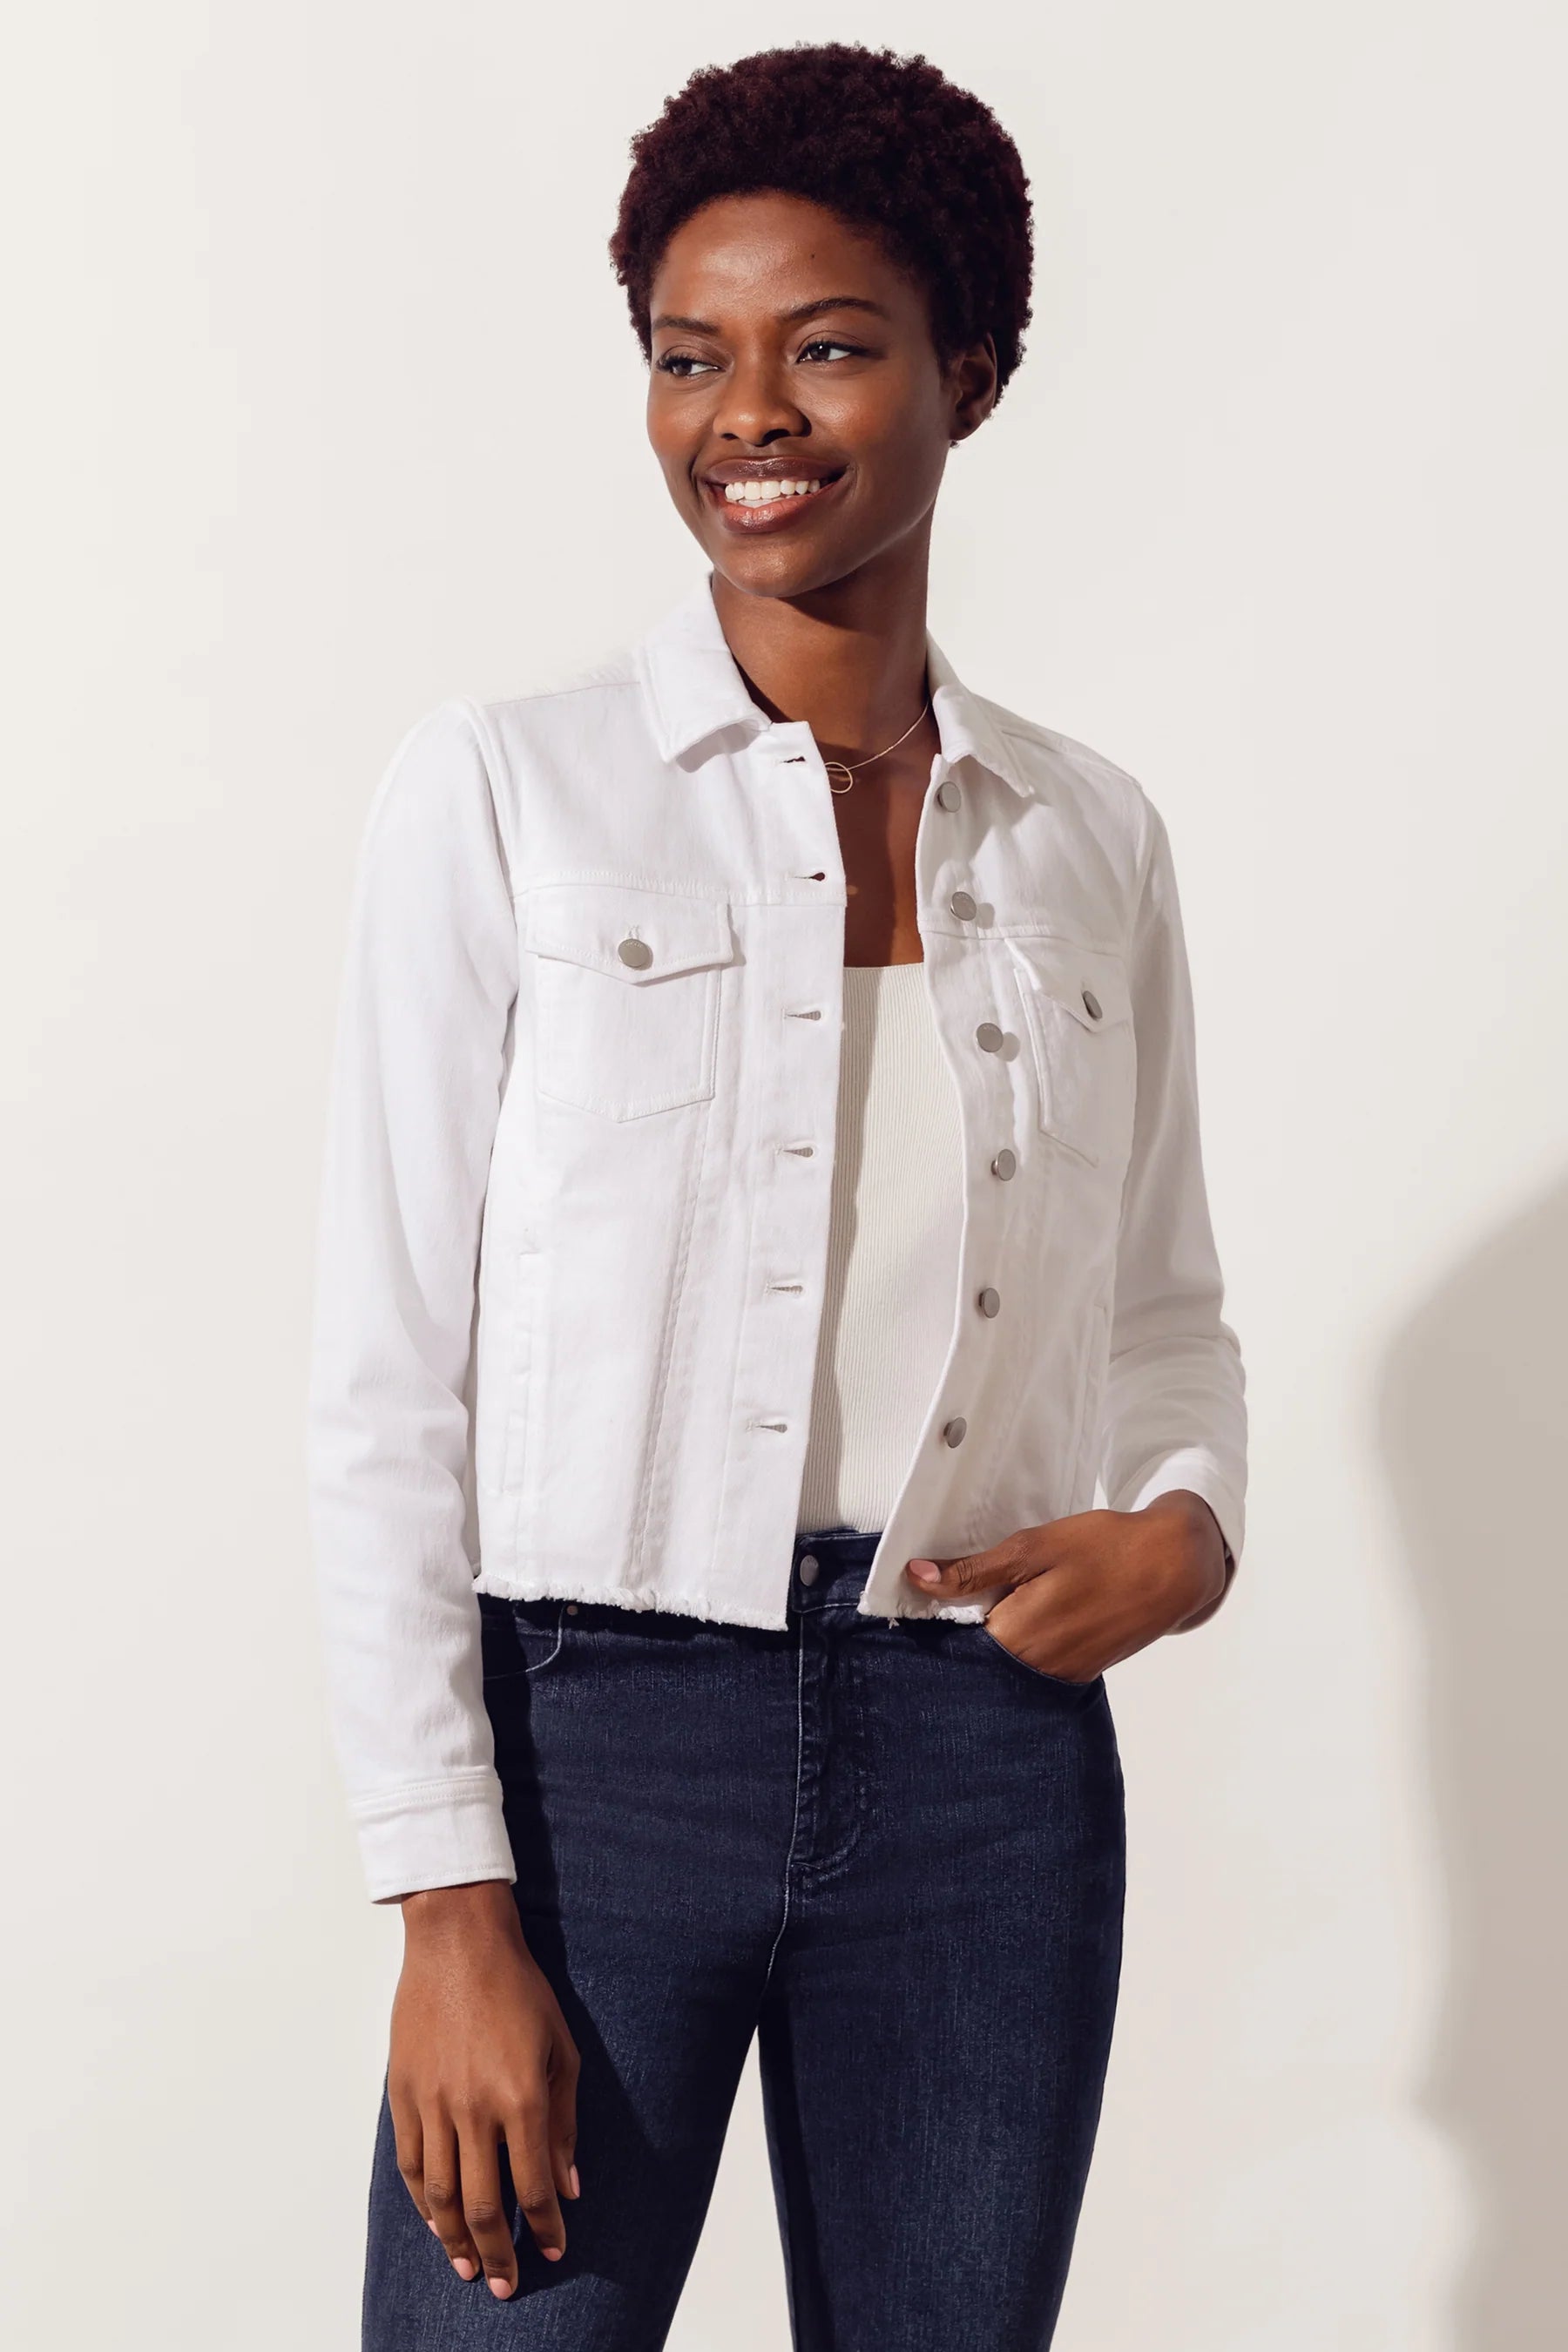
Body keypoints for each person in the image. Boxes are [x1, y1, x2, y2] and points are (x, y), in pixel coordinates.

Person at [307, 40, 1247, 2351]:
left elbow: (1170, 1309)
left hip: (983, 1768)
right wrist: (446, 1894)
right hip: (592, 1745)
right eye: (686, 355)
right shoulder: (509, 795)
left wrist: (1189, 1521)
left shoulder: (1089, 835)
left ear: (971, 373)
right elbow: (383, 1379)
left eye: (826, 346)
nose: (749, 415)